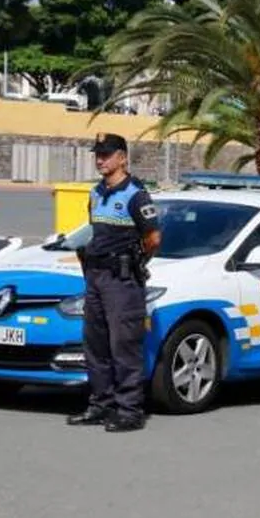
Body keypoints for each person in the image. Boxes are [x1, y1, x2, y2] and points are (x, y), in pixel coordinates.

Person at [67, 133, 162, 432]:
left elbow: (153, 238)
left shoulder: (135, 194)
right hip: (96, 277)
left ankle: (130, 410)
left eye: (106, 155)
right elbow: (96, 233)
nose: (100, 160)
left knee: (124, 346)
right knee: (95, 344)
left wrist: (134, 262)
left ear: (122, 158)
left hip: (122, 280)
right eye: (98, 154)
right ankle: (100, 405)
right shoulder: (95, 193)